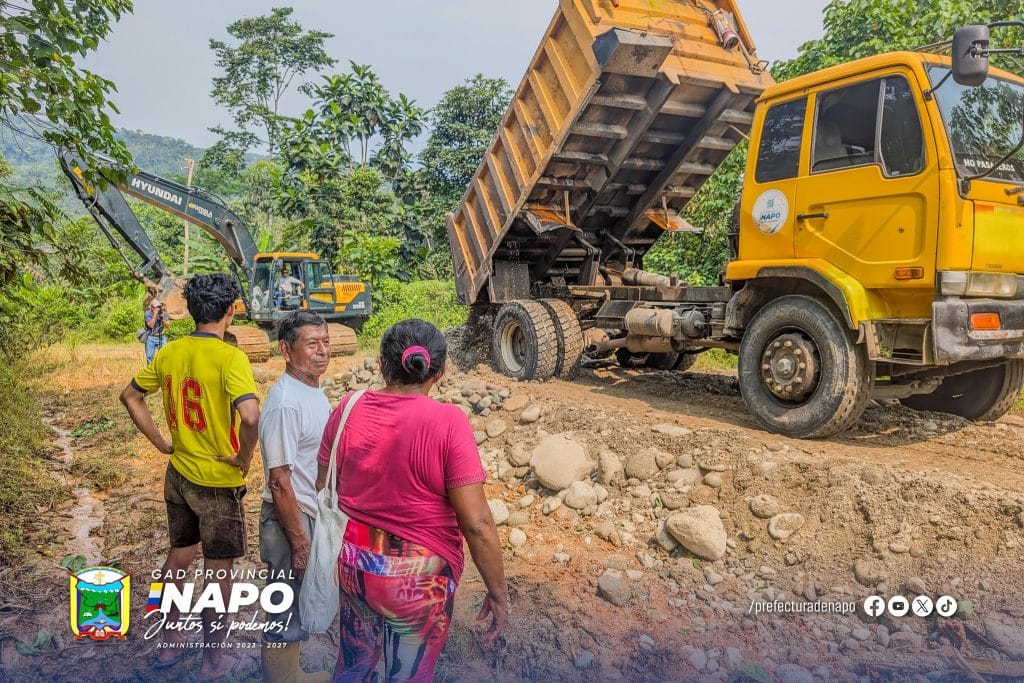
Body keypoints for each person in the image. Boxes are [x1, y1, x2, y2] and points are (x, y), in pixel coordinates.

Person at [316, 319, 508, 682]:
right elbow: (477, 523)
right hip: (419, 582)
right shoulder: (449, 421)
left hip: (353, 566)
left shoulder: (347, 408)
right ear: (440, 369)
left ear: (381, 364)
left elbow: (324, 482)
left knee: (353, 667)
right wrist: (498, 592)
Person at [119, 273, 259, 681]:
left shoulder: (170, 353)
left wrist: (161, 442)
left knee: (179, 557)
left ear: (191, 311)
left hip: (177, 473)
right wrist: (243, 455)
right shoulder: (231, 357)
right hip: (216, 481)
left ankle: (167, 645)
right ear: (231, 309)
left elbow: (130, 395)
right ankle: (213, 661)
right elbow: (250, 415)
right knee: (220, 572)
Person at [258, 311, 332, 682]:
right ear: (286, 350)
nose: (322, 351)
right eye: (311, 344)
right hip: (289, 516)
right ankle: (281, 679)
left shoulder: (312, 389)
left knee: (297, 599)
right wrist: (300, 542)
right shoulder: (286, 402)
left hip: (305, 511)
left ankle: (292, 673)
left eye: (325, 342)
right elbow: (279, 481)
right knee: (284, 604)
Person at [144, 298, 170, 364]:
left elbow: (168, 326)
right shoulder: (148, 314)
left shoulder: (164, 313)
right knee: (149, 357)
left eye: (159, 307)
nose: (158, 309)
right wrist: (155, 315)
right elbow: (151, 325)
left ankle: (162, 369)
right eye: (156, 307)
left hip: (161, 336)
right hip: (150, 337)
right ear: (152, 307)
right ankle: (150, 371)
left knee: (164, 355)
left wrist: (163, 320)